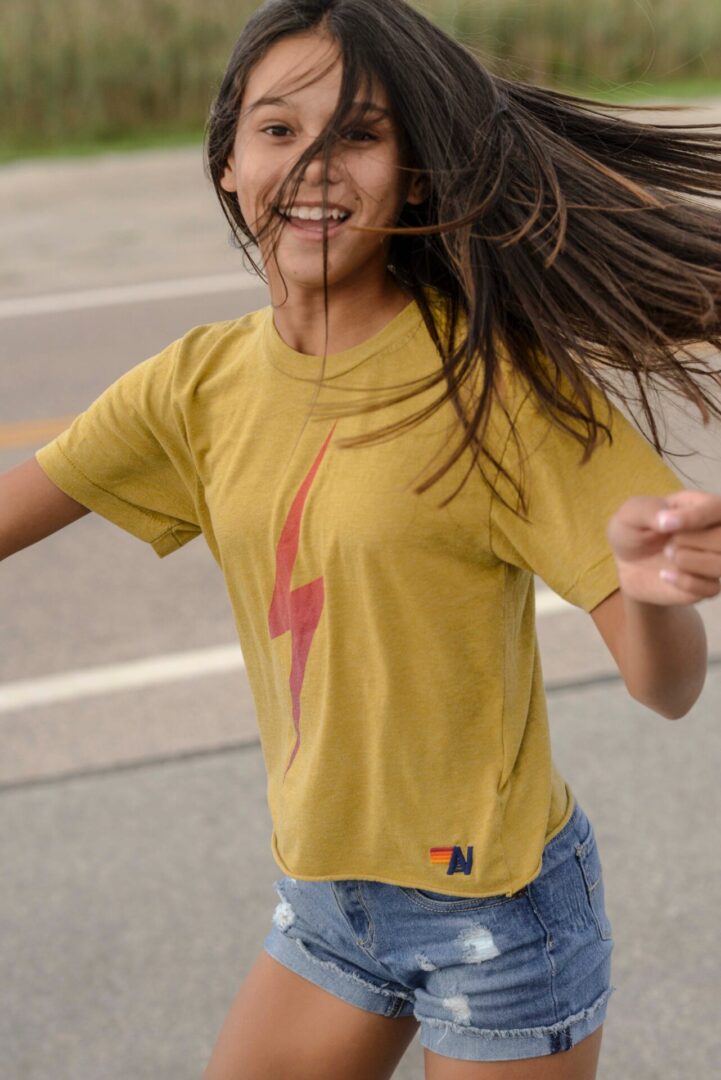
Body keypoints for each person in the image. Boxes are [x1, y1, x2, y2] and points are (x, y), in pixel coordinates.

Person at [3, 1, 721, 1076]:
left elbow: (666, 690)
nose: (317, 166)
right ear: (228, 170)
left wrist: (648, 586)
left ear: (416, 177)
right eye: (280, 130)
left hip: (497, 912)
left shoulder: (497, 391)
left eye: (360, 134)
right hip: (325, 899)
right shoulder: (195, 384)